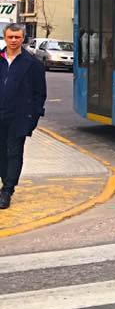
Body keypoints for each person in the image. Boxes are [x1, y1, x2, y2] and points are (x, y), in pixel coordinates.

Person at [0, 23, 47, 209]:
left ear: (23, 38)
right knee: (1, 152)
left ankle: (7, 190)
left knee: (14, 153)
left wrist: (32, 119)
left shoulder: (33, 64)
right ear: (5, 37)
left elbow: (39, 94)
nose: (13, 40)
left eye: (17, 37)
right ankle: (5, 181)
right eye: (10, 37)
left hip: (19, 117)